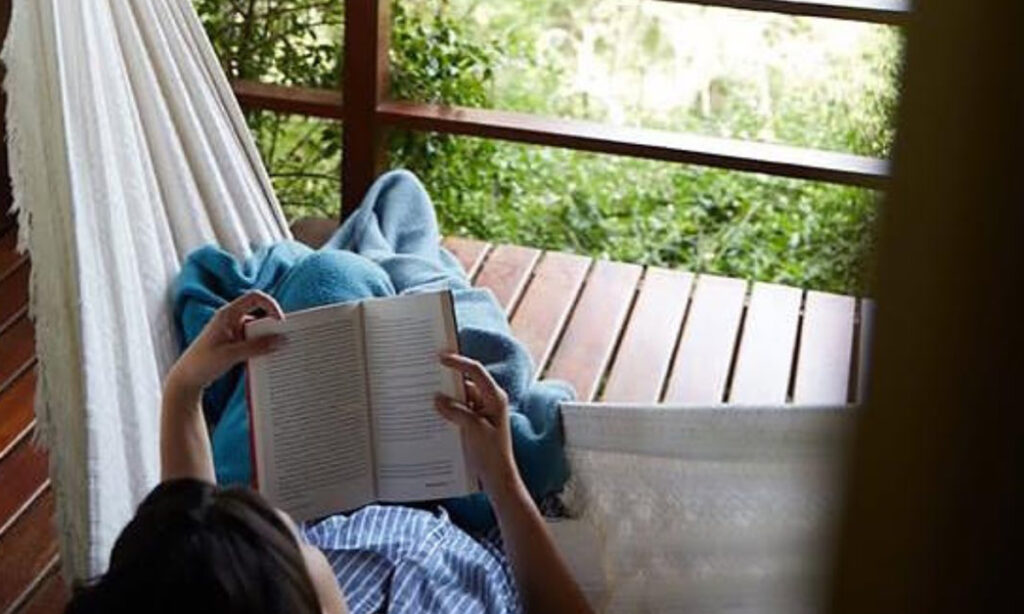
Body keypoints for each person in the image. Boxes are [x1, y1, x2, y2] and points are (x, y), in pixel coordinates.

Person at [65, 290, 593, 614]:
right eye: (299, 539)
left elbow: (191, 560)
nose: (304, 534)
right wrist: (503, 480)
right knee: (478, 345)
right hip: (484, 520)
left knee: (331, 286)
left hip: (371, 489)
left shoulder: (236, 586)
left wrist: (185, 388)